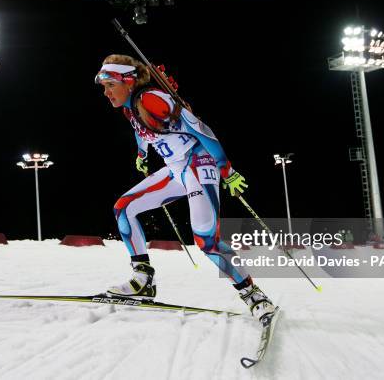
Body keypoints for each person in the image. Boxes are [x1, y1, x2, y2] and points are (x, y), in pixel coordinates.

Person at [94, 54, 276, 326]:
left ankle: (255, 297)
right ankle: (143, 280)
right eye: (103, 86)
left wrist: (226, 169)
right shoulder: (131, 107)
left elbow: (202, 130)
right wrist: (142, 155)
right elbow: (139, 130)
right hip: (176, 168)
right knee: (124, 208)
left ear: (128, 81)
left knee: (207, 241)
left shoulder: (151, 99)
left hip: (198, 163)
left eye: (110, 84)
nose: (106, 92)